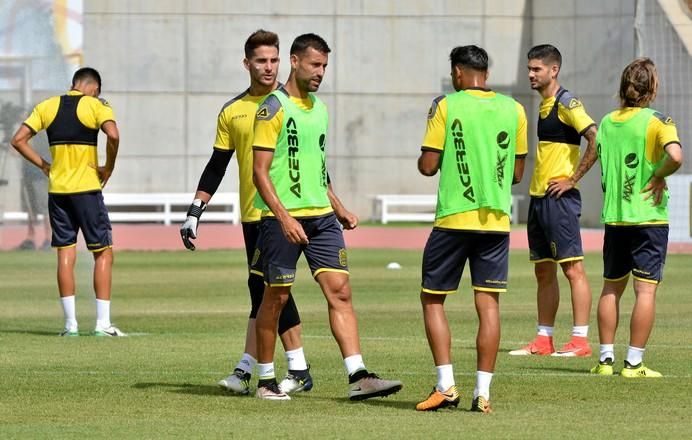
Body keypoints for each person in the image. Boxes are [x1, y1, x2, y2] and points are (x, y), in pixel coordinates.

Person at [251, 33, 403, 401]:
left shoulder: (319, 108)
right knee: (276, 298)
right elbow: (260, 171)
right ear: (294, 61)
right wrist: (285, 218)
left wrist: (338, 206)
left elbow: (318, 168)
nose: (320, 73)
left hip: (321, 220)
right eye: (315, 65)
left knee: (342, 293)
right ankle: (266, 381)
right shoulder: (272, 107)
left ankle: (358, 376)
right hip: (281, 221)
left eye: (324, 67)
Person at [180, 30, 312, 396]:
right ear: (247, 64)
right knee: (265, 290)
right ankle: (266, 368)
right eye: (261, 61)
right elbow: (217, 165)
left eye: (274, 60)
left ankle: (260, 370)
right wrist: (195, 210)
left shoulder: (291, 105)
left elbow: (312, 161)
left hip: (286, 214)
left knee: (270, 290)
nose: (269, 68)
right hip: (253, 216)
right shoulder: (232, 111)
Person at [414, 45, 527, 413]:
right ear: (486, 74)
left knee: (433, 299)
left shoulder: (447, 104)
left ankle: (446, 385)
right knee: (488, 304)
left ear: (458, 73)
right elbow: (516, 174)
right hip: (495, 221)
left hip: (454, 219)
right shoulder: (515, 109)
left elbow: (428, 166)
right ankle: (484, 393)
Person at [10, 67, 123, 337]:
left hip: (58, 192)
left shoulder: (48, 106)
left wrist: (44, 165)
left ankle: (70, 325)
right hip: (86, 190)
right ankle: (103, 325)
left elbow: (18, 140)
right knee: (103, 252)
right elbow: (114, 134)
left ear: (73, 84)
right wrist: (108, 167)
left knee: (65, 254)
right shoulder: (96, 105)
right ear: (94, 88)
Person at [590, 58, 682, 378]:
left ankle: (604, 361)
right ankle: (633, 363)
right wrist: (657, 176)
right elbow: (675, 156)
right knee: (645, 292)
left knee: (610, 289)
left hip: (615, 218)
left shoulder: (606, 121)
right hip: (648, 217)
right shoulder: (659, 121)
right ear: (652, 88)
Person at [509, 44, 598, 357]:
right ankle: (544, 340)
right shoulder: (544, 105)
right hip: (539, 198)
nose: (531, 74)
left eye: (537, 69)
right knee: (543, 271)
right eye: (529, 68)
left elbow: (595, 138)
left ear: (554, 70)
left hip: (559, 200)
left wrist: (572, 179)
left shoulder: (566, 102)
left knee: (572, 269)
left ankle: (580, 341)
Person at [16, 131, 51, 251]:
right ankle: (31, 238)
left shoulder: (42, 133)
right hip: (27, 174)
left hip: (39, 175)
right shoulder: (26, 131)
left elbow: (42, 150)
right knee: (30, 209)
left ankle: (49, 238)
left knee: (44, 207)